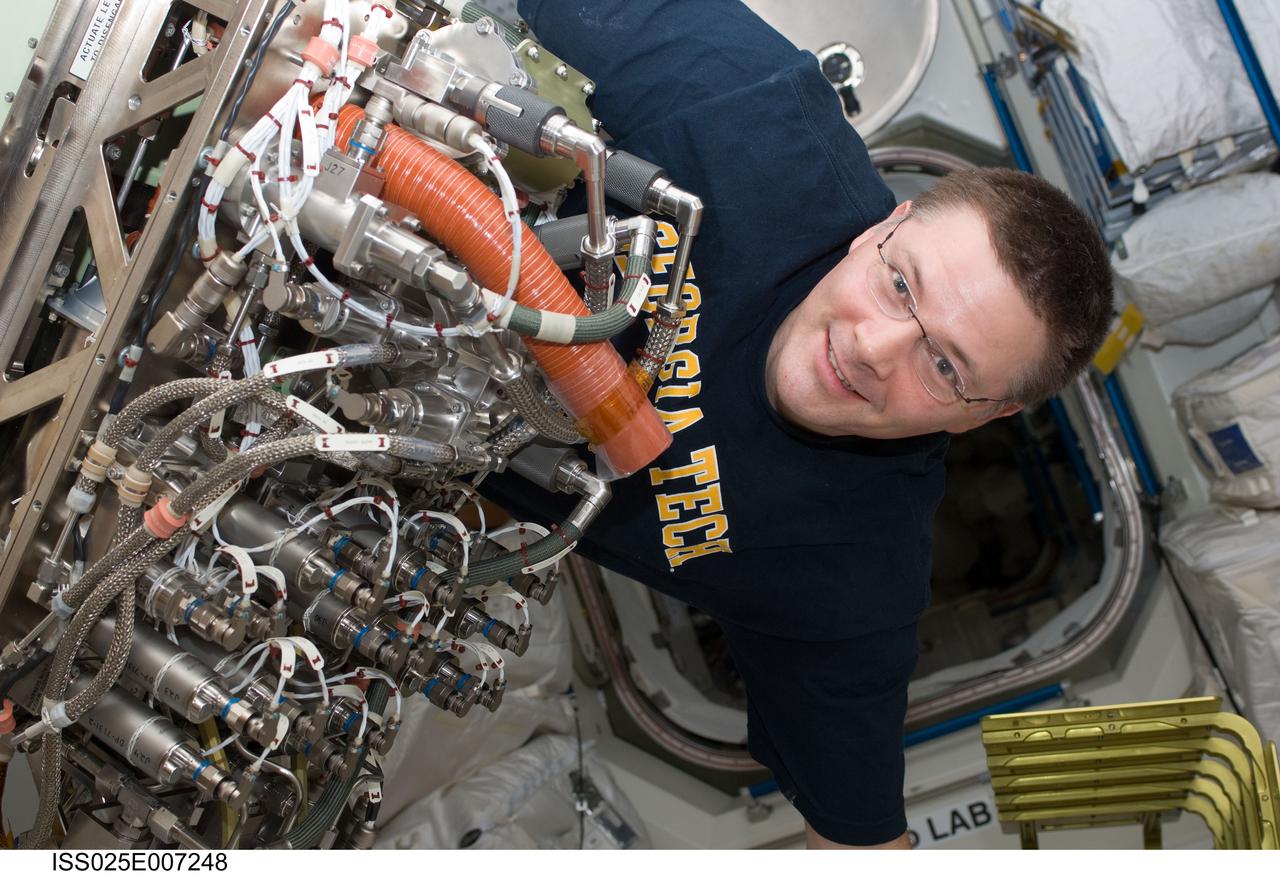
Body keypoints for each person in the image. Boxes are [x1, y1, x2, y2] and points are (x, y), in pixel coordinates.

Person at [484, 0, 1114, 849]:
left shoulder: (853, 576)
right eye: (902, 286)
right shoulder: (748, 103)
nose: (872, 350)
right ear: (883, 229)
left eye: (946, 367)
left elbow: (861, 842)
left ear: (988, 417)